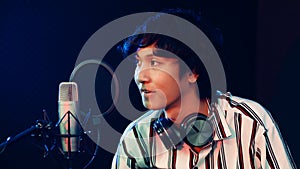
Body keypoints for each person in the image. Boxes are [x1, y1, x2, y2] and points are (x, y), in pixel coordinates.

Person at [111, 8, 296, 169]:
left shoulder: (250, 123)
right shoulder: (135, 138)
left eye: (154, 62)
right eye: (138, 63)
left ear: (193, 71)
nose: (140, 76)